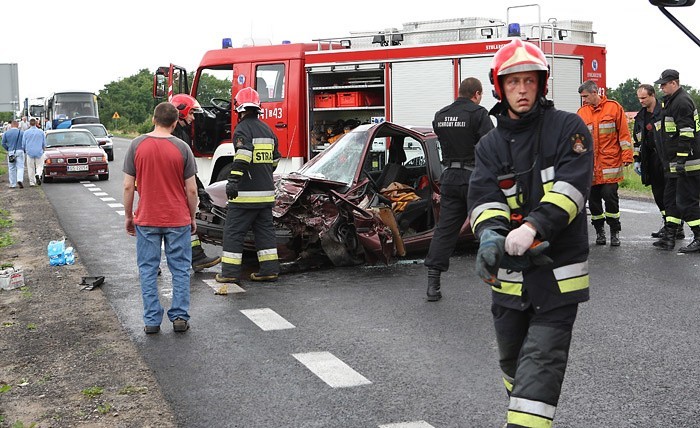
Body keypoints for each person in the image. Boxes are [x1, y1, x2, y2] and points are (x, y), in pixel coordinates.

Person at [468, 39, 593, 428]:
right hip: (508, 282)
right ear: (499, 87)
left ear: (541, 84)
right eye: (513, 82)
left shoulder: (568, 129)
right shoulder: (489, 144)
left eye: (529, 81)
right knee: (513, 367)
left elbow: (571, 188)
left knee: (539, 368)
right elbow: (485, 195)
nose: (522, 89)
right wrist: (490, 233)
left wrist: (533, 226)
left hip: (557, 279)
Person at [122, 102, 198, 334]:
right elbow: (192, 190)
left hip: (147, 218)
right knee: (181, 269)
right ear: (175, 123)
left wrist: (129, 216)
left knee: (147, 269)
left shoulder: (136, 145)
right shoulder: (183, 148)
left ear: (153, 119)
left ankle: (152, 321)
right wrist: (192, 216)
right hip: (177, 219)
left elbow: (128, 186)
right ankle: (179, 317)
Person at [424, 77, 493, 301]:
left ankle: (433, 284)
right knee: (490, 223)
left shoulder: (440, 115)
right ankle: (500, 279)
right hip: (475, 177)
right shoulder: (479, 113)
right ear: (477, 94)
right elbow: (491, 146)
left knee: (445, 230)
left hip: (450, 178)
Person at [215, 87, 281, 285]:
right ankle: (269, 270)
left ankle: (229, 272)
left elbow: (243, 156)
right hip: (266, 194)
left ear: (238, 108)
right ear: (257, 107)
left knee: (233, 231)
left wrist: (233, 180)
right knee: (265, 232)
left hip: (246, 195)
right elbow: (275, 160)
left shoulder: (242, 129)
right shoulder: (268, 130)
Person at [169, 93, 222, 272]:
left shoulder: (181, 134)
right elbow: (187, 171)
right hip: (174, 191)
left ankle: (197, 257)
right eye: (191, 113)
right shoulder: (177, 138)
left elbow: (189, 170)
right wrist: (198, 191)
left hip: (173, 191)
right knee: (174, 224)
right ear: (180, 112)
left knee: (160, 227)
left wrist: (201, 190)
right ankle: (196, 258)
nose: (193, 117)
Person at [577, 80, 633, 246]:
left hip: (610, 164)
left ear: (595, 92)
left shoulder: (613, 108)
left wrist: (627, 156)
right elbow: (578, 140)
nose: (584, 100)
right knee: (593, 201)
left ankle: (614, 232)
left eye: (585, 96)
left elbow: (623, 134)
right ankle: (599, 232)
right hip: (591, 167)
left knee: (610, 197)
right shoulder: (582, 112)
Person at [652, 69, 700, 252]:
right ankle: (669, 236)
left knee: (686, 202)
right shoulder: (671, 101)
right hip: (674, 163)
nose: (661, 87)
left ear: (674, 83)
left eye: (664, 84)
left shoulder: (681, 102)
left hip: (687, 163)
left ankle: (699, 235)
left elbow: (687, 133)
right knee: (670, 199)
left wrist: (681, 160)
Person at [633, 84, 685, 240]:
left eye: (644, 98)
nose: (641, 101)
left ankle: (676, 227)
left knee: (671, 195)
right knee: (658, 194)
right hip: (651, 159)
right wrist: (637, 159)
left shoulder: (664, 111)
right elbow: (638, 140)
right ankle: (668, 224)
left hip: (668, 158)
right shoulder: (640, 117)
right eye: (639, 98)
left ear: (653, 95)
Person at [22, 118, 46, 186]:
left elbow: (23, 143)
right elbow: (44, 143)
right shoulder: (41, 132)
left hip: (29, 152)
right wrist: (44, 149)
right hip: (39, 151)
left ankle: (32, 182)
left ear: (29, 124)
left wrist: (24, 150)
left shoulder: (26, 132)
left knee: (30, 167)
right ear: (36, 123)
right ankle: (38, 174)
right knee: (40, 166)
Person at [1, 120, 25, 188]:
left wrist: (8, 149)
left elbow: (3, 143)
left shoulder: (6, 133)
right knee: (20, 167)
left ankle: (12, 184)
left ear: (11, 125)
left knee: (11, 168)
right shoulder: (22, 133)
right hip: (20, 151)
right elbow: (24, 142)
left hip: (11, 151)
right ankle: (19, 179)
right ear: (17, 125)